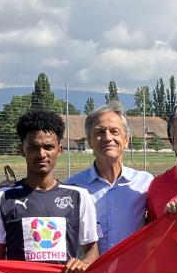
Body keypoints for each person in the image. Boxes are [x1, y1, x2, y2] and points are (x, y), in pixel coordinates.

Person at [0, 110, 99, 273]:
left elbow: (92, 251)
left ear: (59, 150)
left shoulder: (79, 196)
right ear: (21, 150)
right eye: (33, 148)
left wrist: (84, 263)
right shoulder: (1, 197)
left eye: (48, 147)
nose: (41, 154)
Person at [66, 102, 154, 253]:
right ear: (89, 141)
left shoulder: (145, 183)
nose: (107, 138)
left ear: (126, 140)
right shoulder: (73, 188)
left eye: (114, 131)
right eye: (100, 132)